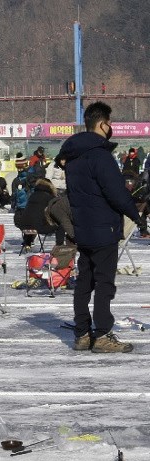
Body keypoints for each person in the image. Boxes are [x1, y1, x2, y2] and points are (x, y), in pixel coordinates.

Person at [57, 102, 145, 353]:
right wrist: (136, 215)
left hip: (83, 228)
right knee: (104, 282)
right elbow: (115, 192)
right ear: (102, 124)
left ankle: (82, 333)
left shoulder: (73, 157)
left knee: (84, 281)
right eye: (110, 123)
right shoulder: (100, 155)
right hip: (103, 228)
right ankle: (103, 333)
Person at [15, 177, 63, 246]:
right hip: (39, 227)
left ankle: (27, 243)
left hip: (24, 226)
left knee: (32, 218)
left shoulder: (32, 195)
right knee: (61, 225)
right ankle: (59, 245)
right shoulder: (49, 197)